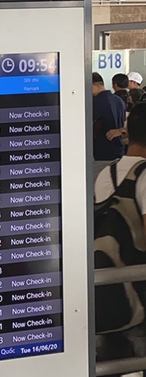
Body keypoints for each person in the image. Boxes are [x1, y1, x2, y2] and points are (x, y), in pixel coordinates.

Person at [95, 103, 146, 361]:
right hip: (139, 288)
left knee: (114, 356)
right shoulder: (144, 175)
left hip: (110, 286)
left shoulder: (108, 172)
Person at [95, 72, 128, 171]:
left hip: (102, 153)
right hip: (119, 151)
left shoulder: (96, 102)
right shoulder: (119, 100)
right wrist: (121, 131)